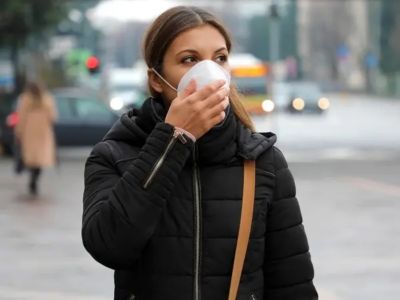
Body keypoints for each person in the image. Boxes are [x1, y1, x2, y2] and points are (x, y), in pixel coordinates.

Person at [82, 6, 318, 300]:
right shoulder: (115, 154)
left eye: (220, 58)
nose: (210, 72)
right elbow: (108, 245)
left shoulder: (262, 162)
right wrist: (173, 140)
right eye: (189, 60)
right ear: (157, 79)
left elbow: (293, 285)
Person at [15, 81, 57, 195]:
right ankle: (34, 178)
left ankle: (32, 178)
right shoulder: (47, 99)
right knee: (40, 158)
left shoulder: (25, 99)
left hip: (29, 131)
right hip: (43, 131)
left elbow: (21, 116)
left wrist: (19, 132)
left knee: (31, 157)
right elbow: (53, 117)